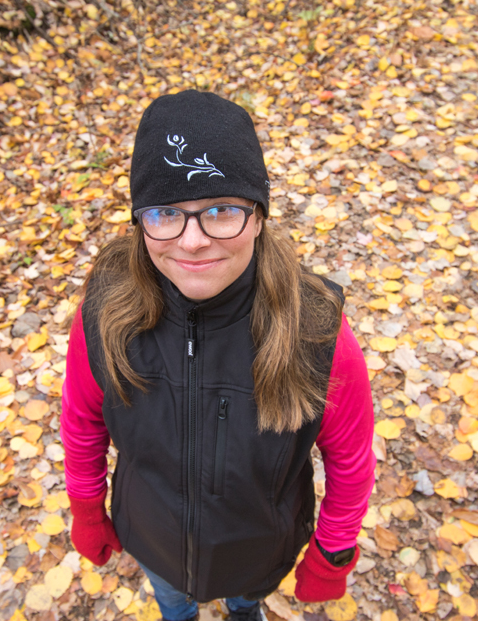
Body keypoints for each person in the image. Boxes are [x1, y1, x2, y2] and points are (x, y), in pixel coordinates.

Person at [60, 90, 375, 621]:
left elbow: (351, 458)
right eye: (166, 213)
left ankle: (244, 609)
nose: (193, 241)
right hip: (155, 543)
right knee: (173, 604)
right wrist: (87, 511)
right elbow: (82, 424)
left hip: (259, 551)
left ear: (259, 216)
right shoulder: (104, 314)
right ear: (140, 221)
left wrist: (333, 552)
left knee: (246, 602)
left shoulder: (314, 330)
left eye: (222, 211)